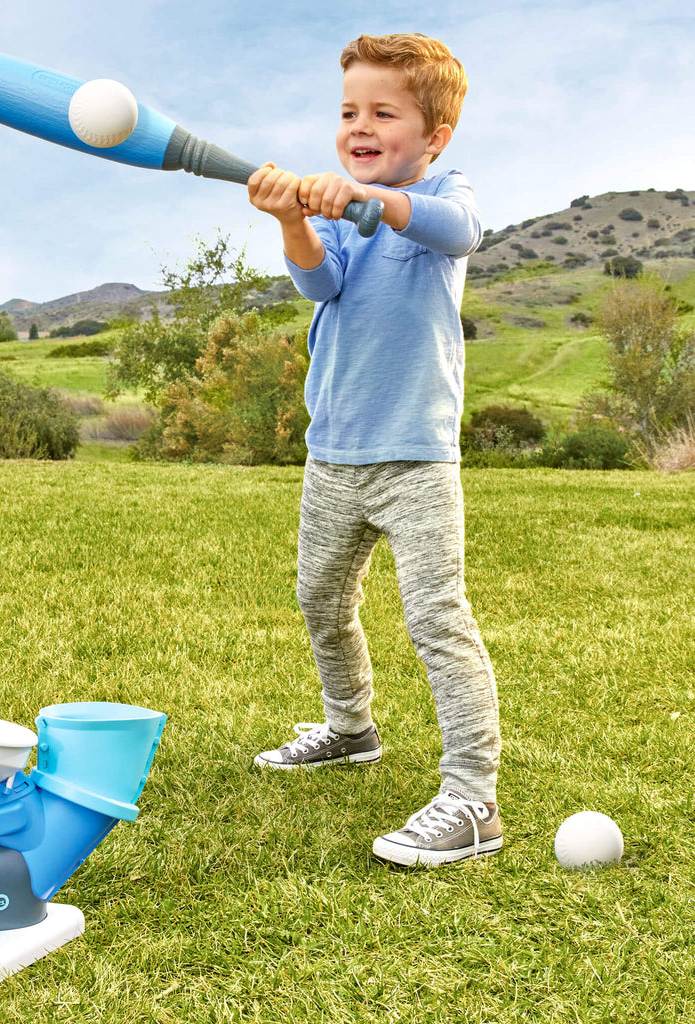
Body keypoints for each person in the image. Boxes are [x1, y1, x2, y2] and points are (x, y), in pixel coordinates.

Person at [246, 33, 502, 867]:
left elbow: (460, 231)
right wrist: (294, 219)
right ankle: (351, 729)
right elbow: (320, 282)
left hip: (414, 458)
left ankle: (473, 798)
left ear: (434, 136)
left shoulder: (441, 194)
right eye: (349, 111)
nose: (359, 125)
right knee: (321, 600)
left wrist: (366, 197)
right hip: (334, 454)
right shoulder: (340, 211)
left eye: (383, 112)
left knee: (436, 617)